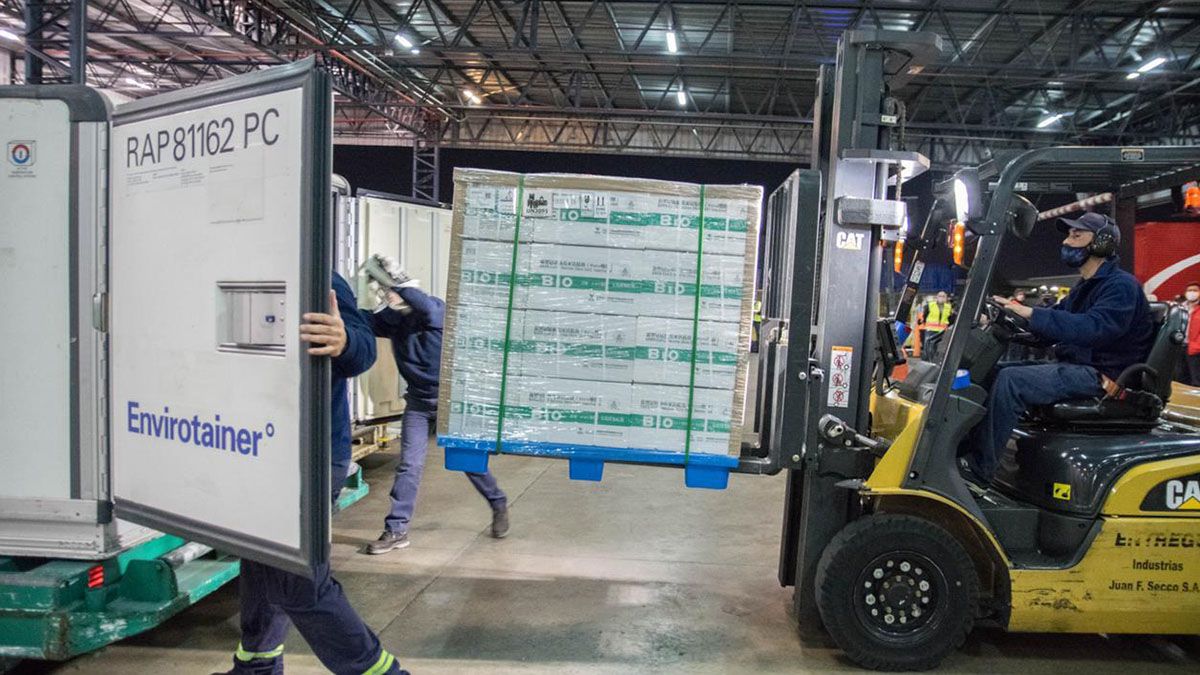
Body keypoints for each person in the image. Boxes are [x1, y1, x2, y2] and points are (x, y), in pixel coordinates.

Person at [220, 273, 406, 675]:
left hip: (311, 457)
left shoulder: (312, 269)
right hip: (255, 450)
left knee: (296, 579)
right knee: (260, 563)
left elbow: (361, 349)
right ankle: (256, 666)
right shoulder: (230, 270)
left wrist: (345, 341)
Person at [963, 212, 1155, 482]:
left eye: (1077, 236)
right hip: (1078, 368)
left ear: (1101, 243)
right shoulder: (1084, 288)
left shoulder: (1121, 286)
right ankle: (963, 452)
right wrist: (1014, 321)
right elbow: (1054, 325)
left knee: (1011, 381)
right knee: (991, 372)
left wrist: (1032, 314)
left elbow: (1094, 328)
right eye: (1068, 235)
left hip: (1102, 375)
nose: (1067, 241)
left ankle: (979, 470)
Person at [360, 256, 509, 555]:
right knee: (409, 465)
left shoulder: (435, 310)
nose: (387, 296)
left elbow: (423, 305)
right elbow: (362, 320)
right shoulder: (393, 321)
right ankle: (396, 530)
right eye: (384, 291)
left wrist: (396, 281)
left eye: (391, 290)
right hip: (418, 401)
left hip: (451, 399)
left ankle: (497, 502)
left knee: (468, 461)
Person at [918, 291, 954, 360]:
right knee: (928, 347)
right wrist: (925, 323)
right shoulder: (930, 305)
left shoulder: (949, 307)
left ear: (946, 298)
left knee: (939, 348)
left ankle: (935, 360)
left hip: (942, 331)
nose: (941, 298)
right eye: (940, 296)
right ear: (937, 297)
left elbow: (951, 319)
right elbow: (925, 315)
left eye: (943, 296)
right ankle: (927, 360)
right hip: (931, 330)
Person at [1184, 282, 1200, 385]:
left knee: (1196, 378)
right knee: (1180, 377)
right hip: (1179, 347)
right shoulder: (1181, 307)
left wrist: (1197, 346)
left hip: (1195, 350)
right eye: (1189, 290)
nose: (1192, 293)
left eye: (1195, 290)